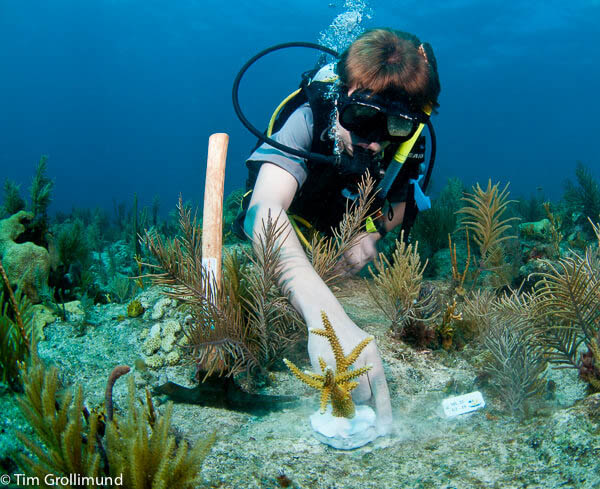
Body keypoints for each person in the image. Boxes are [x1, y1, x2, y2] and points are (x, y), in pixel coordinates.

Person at [236, 28, 441, 435]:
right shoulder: (310, 115)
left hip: (342, 225)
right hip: (295, 224)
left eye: (396, 127)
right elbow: (262, 212)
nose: (375, 143)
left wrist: (373, 235)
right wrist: (327, 320)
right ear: (342, 97)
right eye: (362, 119)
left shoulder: (408, 143)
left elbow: (397, 210)